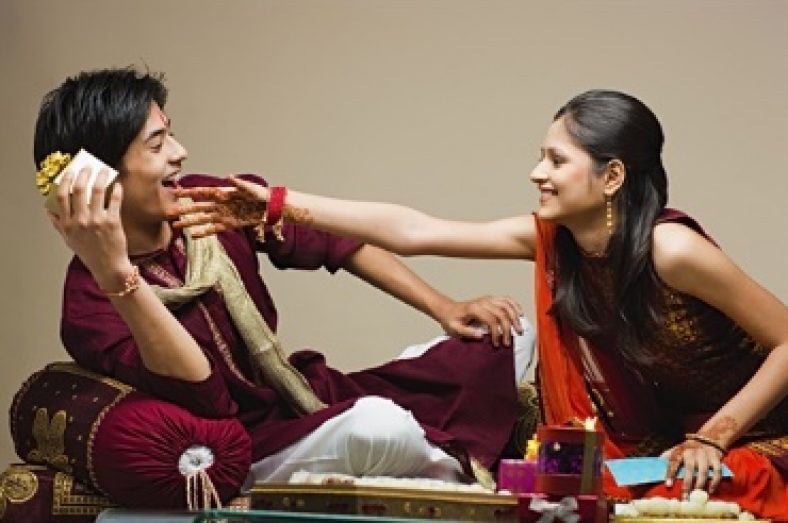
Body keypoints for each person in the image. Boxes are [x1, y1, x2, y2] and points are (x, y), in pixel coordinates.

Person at [174, 89, 788, 518]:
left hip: (754, 435)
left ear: (612, 177)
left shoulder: (671, 250)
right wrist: (277, 204)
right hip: (660, 442)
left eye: (556, 160)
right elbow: (414, 231)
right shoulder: (554, 240)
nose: (536, 173)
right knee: (552, 486)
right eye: (541, 156)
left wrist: (714, 438)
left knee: (679, 500)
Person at [34, 67, 537, 497]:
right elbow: (203, 391)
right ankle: (440, 467)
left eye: (172, 134)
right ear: (99, 177)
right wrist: (117, 272)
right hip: (253, 445)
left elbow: (338, 244)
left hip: (302, 396)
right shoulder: (89, 302)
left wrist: (445, 308)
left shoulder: (206, 202)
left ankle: (409, 451)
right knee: (379, 427)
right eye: (157, 144)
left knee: (510, 334)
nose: (180, 154)